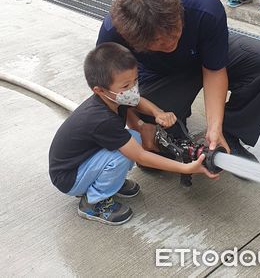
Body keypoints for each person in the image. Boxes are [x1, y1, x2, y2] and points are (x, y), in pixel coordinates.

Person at [97, 0, 260, 161]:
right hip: (156, 75)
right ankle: (170, 124)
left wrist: (214, 127)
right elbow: (108, 93)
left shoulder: (204, 7)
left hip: (200, 54)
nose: (171, 42)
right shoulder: (113, 32)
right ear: (135, 41)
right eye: (159, 41)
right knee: (159, 153)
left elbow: (214, 70)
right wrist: (138, 125)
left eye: (175, 31)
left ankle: (228, 134)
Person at [49, 43, 217, 226]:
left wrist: (158, 113)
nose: (133, 89)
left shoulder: (112, 99)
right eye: (127, 85)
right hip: (69, 177)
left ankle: (105, 183)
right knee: (124, 153)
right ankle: (93, 203)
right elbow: (141, 156)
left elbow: (137, 101)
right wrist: (186, 168)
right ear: (100, 90)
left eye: (135, 80)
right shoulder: (101, 119)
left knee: (133, 139)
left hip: (82, 162)